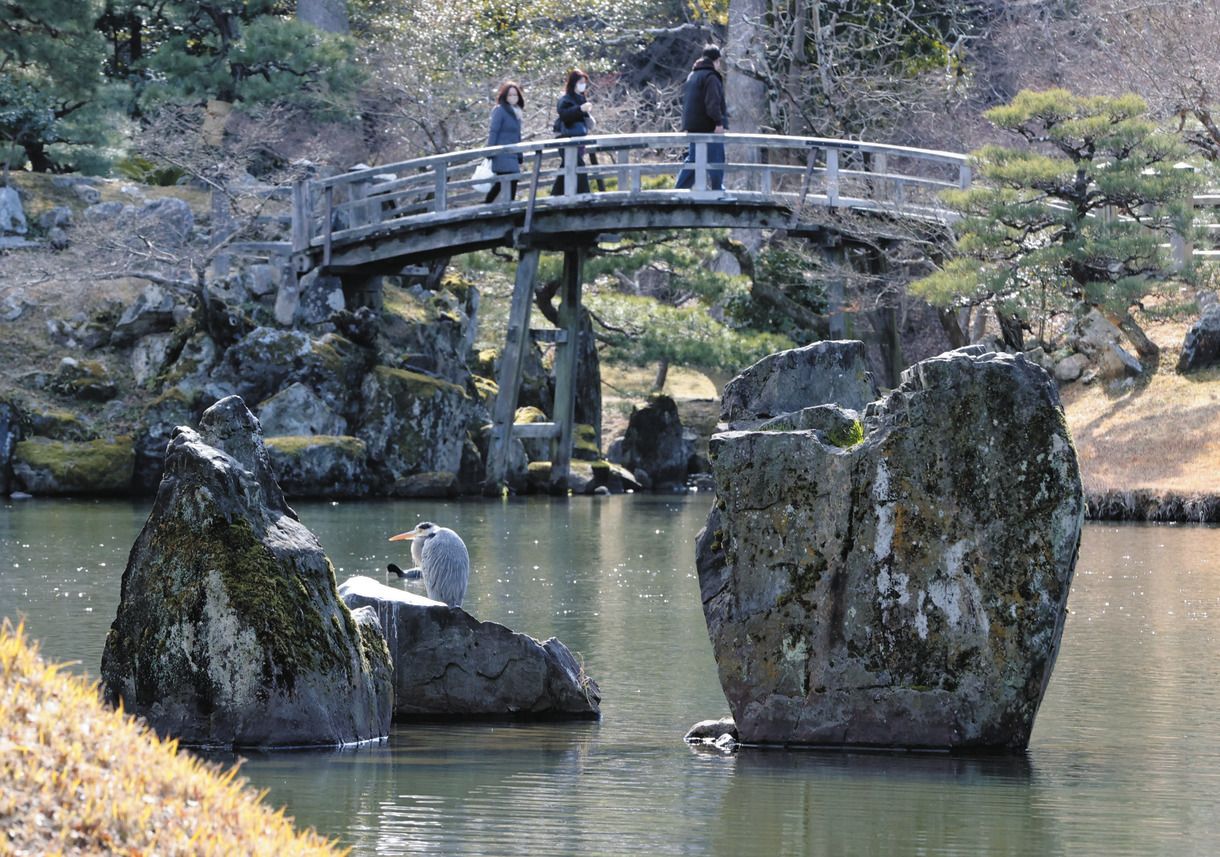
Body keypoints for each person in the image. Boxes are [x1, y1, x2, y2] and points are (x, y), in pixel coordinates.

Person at [675, 45, 728, 191]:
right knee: (717, 157)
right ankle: (718, 190)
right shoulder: (711, 76)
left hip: (692, 125)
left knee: (694, 160)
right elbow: (713, 103)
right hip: (708, 125)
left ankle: (679, 190)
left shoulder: (693, 75)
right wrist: (718, 123)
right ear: (716, 60)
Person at [551, 69, 593, 196]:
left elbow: (583, 119)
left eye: (584, 82)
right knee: (578, 166)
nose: (583, 85)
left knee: (567, 166)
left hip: (578, 138)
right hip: (566, 138)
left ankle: (555, 196)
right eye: (580, 82)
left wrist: (587, 115)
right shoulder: (565, 99)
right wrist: (580, 109)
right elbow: (564, 115)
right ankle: (584, 195)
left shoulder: (581, 98)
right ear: (574, 83)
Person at [486, 81, 524, 204]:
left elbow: (517, 135)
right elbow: (494, 131)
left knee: (508, 180)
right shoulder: (500, 110)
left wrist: (520, 155)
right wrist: (490, 151)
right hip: (501, 153)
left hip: (512, 153)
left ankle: (497, 204)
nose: (513, 97)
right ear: (504, 96)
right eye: (510, 95)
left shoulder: (517, 112)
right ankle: (490, 204)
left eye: (515, 95)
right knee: (507, 179)